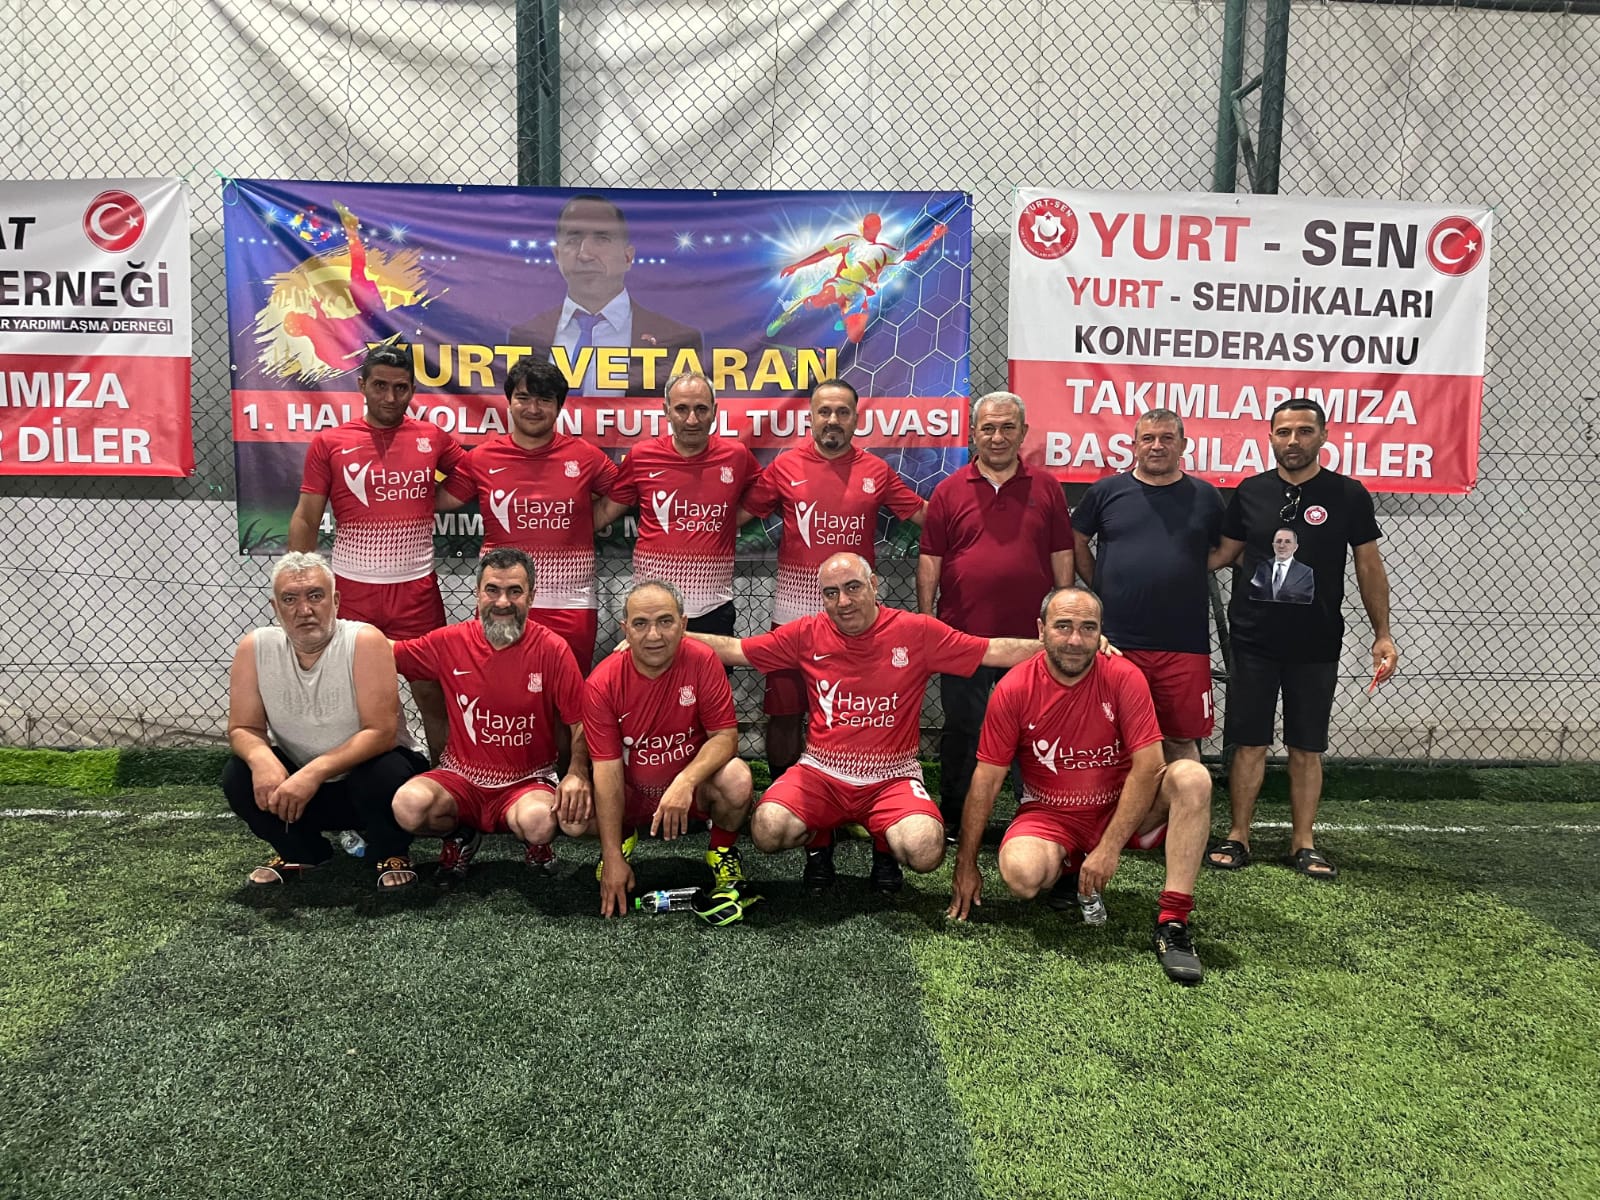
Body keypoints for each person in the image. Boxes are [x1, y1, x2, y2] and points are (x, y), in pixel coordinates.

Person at [692, 553, 1040, 894]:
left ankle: (884, 847)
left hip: (892, 776)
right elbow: (736, 650)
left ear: (874, 585)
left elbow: (991, 650)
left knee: (925, 850)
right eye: (831, 593)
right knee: (767, 830)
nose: (843, 601)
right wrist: (671, 634)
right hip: (821, 772)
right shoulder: (807, 634)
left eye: (853, 587)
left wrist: (1060, 647)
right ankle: (820, 841)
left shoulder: (916, 632)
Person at [946, 587, 1212, 985]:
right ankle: (1069, 867)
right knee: (1021, 875)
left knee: (1192, 777)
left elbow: (1149, 767)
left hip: (1121, 809)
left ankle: (1173, 922)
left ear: (1101, 632)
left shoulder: (1124, 676)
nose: (1075, 640)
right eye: (1063, 626)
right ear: (1041, 630)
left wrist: (1109, 848)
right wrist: (965, 863)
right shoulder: (1014, 688)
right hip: (1050, 813)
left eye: (1088, 628)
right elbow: (987, 780)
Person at [1207, 398, 1399, 880]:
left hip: (1315, 644)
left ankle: (1303, 842)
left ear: (1324, 436)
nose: (1293, 441)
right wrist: (1160, 560)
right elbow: (1223, 554)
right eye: (1284, 431)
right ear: (1270, 436)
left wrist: (1383, 634)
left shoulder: (1348, 494)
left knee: (1306, 746)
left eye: (1304, 431)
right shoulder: (1249, 492)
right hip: (1253, 641)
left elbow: (1368, 565)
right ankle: (1238, 835)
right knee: (1248, 743)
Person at [741, 378, 927, 779]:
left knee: (851, 710)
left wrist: (977, 520)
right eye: (824, 411)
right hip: (792, 617)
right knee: (784, 712)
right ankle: (782, 790)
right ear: (810, 417)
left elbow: (924, 516)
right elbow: (738, 516)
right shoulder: (784, 466)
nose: (833, 420)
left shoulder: (876, 471)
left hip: (855, 620)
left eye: (843, 412)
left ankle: (851, 789)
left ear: (856, 419)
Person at [288, 340, 464, 762]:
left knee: (432, 691)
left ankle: (445, 778)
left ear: (413, 390)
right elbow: (306, 518)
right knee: (350, 695)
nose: (390, 397)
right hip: (352, 593)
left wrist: (429, 500)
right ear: (361, 385)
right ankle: (355, 781)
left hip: (416, 592)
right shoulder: (330, 442)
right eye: (380, 386)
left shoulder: (431, 437)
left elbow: (471, 478)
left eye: (401, 388)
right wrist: (298, 587)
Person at [918, 390, 1075, 837]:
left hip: (1031, 639)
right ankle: (955, 815)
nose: (998, 436)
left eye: (1008, 427)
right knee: (963, 728)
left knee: (1035, 726)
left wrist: (1062, 620)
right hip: (963, 637)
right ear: (974, 433)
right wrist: (927, 623)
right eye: (988, 428)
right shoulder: (948, 491)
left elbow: (1062, 553)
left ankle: (1037, 815)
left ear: (1023, 432)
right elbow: (930, 559)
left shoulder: (1047, 488)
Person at [224, 552, 426, 890]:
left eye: (315, 596)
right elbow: (243, 728)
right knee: (238, 775)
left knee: (384, 773)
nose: (304, 609)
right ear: (275, 607)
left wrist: (312, 774)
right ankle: (303, 852)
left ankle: (391, 850)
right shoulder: (254, 648)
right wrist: (261, 759)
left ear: (336, 601)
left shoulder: (365, 640)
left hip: (367, 782)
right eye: (290, 599)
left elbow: (381, 732)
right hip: (303, 789)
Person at [389, 548, 592, 884]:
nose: (502, 602)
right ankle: (460, 836)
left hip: (528, 780)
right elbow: (386, 652)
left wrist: (577, 772)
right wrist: (330, 635)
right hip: (461, 777)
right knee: (408, 806)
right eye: (492, 590)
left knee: (539, 823)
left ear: (531, 596)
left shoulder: (553, 649)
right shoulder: (450, 641)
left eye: (515, 591)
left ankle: (536, 845)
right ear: (478, 593)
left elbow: (580, 720)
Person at [582, 581, 755, 917]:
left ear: (683, 624)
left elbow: (725, 737)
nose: (654, 635)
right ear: (625, 630)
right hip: (632, 795)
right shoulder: (602, 683)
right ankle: (621, 841)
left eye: (665, 621)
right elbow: (607, 769)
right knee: (573, 813)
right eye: (641, 623)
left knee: (738, 778)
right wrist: (612, 856)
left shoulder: (703, 660)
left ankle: (721, 851)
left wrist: (685, 781)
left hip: (689, 795)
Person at [438, 360, 624, 672]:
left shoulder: (586, 456)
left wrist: (585, 523)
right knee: (501, 687)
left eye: (544, 400)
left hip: (571, 603)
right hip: (503, 602)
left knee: (566, 694)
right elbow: (436, 500)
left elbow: (626, 493)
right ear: (509, 402)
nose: (533, 409)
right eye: (523, 398)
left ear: (559, 406)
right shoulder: (481, 458)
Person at [1073, 408, 1225, 762]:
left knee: (1180, 739)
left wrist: (1189, 567)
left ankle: (1179, 800)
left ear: (1183, 445)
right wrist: (1099, 587)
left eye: (1167, 438)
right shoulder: (1106, 491)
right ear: (1134, 445)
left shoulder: (1206, 496)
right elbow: (1076, 539)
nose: (1157, 446)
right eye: (1148, 438)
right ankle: (1117, 802)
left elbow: (1228, 547)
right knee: (1110, 737)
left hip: (1184, 643)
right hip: (1116, 640)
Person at [592, 372, 763, 635]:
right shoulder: (642, 456)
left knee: (714, 665)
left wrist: (729, 520)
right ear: (666, 411)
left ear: (715, 411)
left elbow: (764, 494)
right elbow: (605, 511)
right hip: (652, 607)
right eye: (682, 409)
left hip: (713, 607)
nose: (692, 419)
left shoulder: (737, 456)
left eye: (701, 409)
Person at [508, 193, 704, 397]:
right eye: (573, 239)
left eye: (602, 239)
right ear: (557, 255)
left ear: (628, 257)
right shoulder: (525, 336)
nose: (584, 254)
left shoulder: (677, 339)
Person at [1248, 528, 1316, 604]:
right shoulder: (1262, 567)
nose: (1282, 545)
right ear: (1273, 545)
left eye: (1287, 542)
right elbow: (1254, 594)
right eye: (1278, 541)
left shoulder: (1305, 572)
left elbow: (1305, 599)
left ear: (1295, 547)